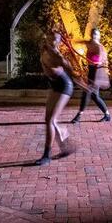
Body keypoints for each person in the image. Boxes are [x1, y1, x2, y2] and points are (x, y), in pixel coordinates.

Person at [36, 31, 76, 166]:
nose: (52, 41)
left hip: (65, 85)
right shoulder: (45, 49)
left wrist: (82, 82)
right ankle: (66, 144)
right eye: (50, 37)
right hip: (55, 85)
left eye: (55, 39)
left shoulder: (57, 55)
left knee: (51, 120)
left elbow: (68, 67)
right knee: (49, 120)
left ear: (58, 42)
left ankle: (46, 156)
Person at [71, 28, 110, 123]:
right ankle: (107, 115)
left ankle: (78, 116)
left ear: (99, 36)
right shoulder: (89, 43)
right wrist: (69, 40)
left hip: (98, 72)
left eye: (96, 34)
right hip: (91, 72)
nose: (94, 36)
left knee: (87, 92)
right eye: (93, 34)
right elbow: (78, 41)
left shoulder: (100, 48)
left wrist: (99, 62)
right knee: (95, 96)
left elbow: (103, 61)